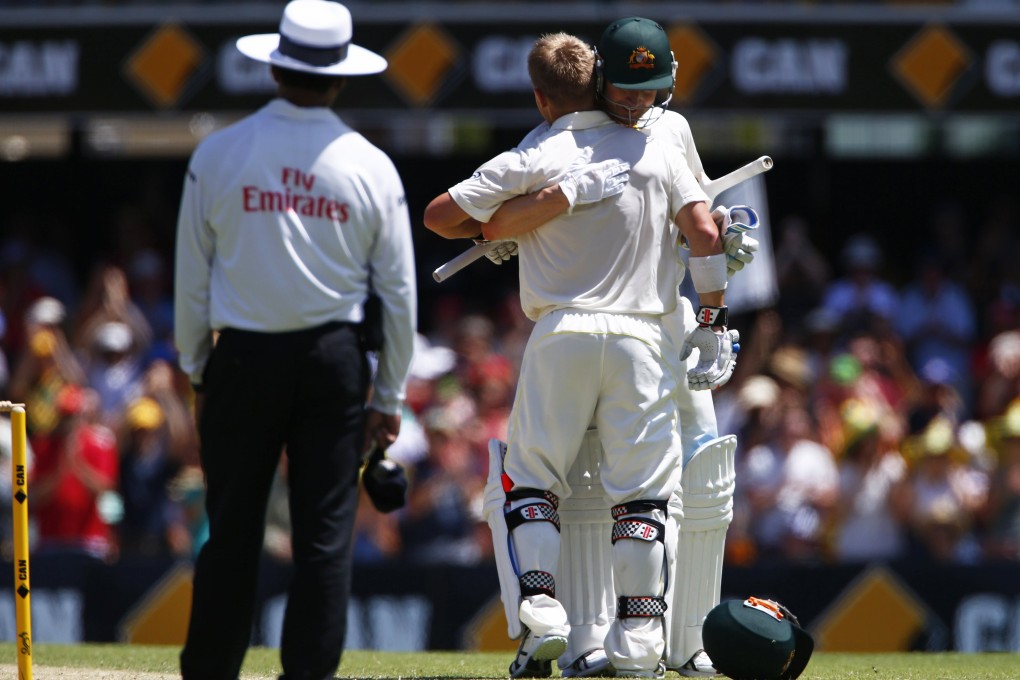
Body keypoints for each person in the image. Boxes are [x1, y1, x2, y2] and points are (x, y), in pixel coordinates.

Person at [436, 19, 749, 677]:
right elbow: (701, 230)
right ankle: (639, 646)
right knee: (643, 500)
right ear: (600, 81)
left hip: (564, 332)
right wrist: (715, 314)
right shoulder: (654, 149)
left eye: (650, 90)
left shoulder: (544, 149)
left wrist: (512, 222)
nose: (639, 103)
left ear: (541, 96)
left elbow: (443, 216)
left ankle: (544, 614)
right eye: (628, 90)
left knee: (530, 483)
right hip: (643, 338)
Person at [172, 2, 417, 678]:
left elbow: (192, 280)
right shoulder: (369, 166)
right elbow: (398, 295)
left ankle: (211, 670)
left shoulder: (219, 152)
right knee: (324, 537)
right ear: (340, 78)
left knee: (231, 531)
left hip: (243, 356)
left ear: (277, 66)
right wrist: (389, 394)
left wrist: (198, 370)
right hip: (331, 361)